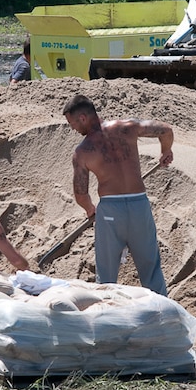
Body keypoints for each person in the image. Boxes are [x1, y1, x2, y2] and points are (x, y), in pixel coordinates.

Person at [62, 94, 172, 296]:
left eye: (72, 123)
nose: (73, 128)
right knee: (151, 270)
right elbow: (165, 129)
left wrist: (90, 210)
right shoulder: (127, 127)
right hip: (139, 205)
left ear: (83, 118)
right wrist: (166, 151)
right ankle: (164, 319)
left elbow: (81, 193)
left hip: (111, 211)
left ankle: (106, 320)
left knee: (106, 276)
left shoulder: (82, 151)